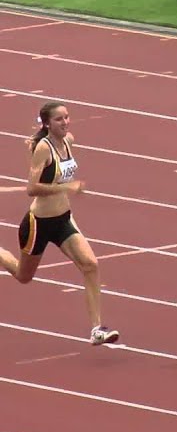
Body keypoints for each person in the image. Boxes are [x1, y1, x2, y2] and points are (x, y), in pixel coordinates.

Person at [0, 102, 119, 345]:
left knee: (90, 265)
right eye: (59, 119)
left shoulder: (68, 141)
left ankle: (97, 329)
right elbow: (31, 188)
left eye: (66, 118)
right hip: (38, 225)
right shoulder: (43, 149)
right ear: (47, 123)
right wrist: (67, 187)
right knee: (23, 276)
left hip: (63, 220)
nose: (65, 123)